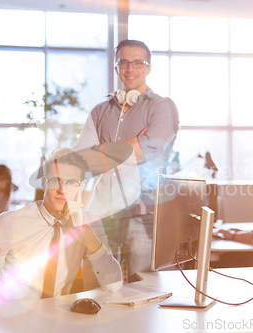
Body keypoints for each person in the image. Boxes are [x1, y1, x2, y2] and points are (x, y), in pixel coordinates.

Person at [74, 39, 179, 282]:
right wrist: (133, 143)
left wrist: (101, 151)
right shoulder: (100, 112)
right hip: (100, 214)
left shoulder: (162, 108)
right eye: (124, 62)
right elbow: (81, 160)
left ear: (148, 68)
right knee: (96, 290)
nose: (130, 69)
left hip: (142, 215)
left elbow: (152, 151)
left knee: (145, 291)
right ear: (116, 67)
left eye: (137, 63)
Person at [0, 148, 122, 302]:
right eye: (56, 181)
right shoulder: (10, 222)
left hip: (56, 319)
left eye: (71, 183)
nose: (62, 190)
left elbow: (113, 284)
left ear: (80, 187)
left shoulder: (89, 223)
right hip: (10, 317)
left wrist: (85, 232)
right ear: (43, 184)